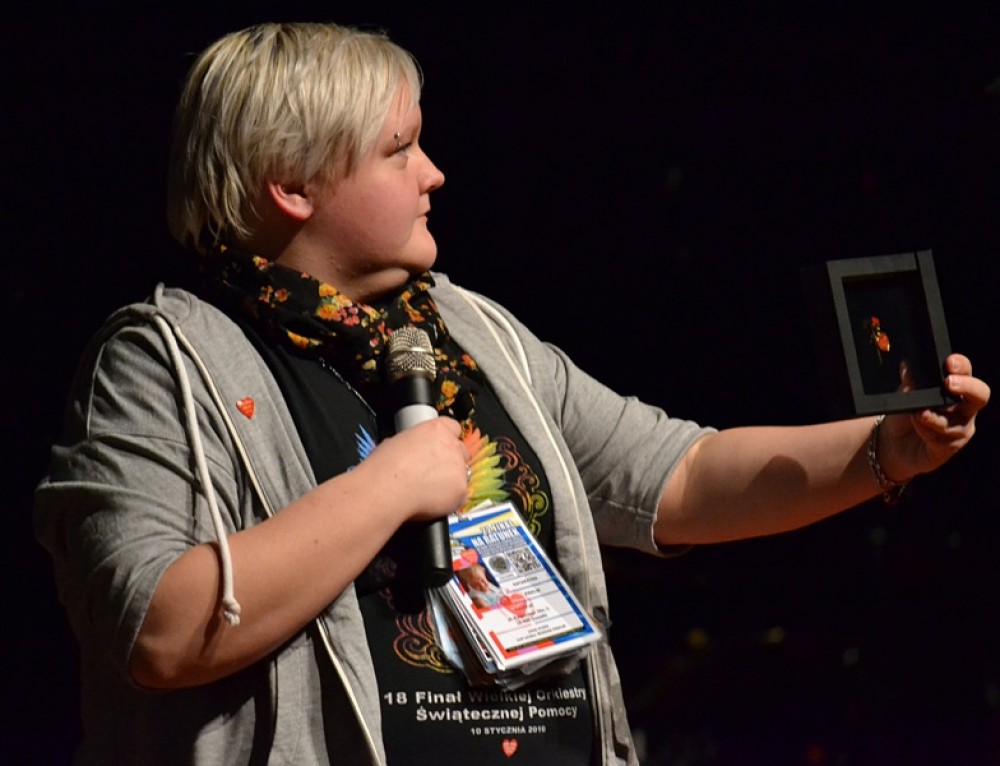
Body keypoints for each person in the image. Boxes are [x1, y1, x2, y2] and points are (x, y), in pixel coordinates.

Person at [33, 21, 989, 766]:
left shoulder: (471, 334)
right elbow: (159, 628)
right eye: (399, 149)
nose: (434, 173)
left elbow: (682, 477)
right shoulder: (166, 360)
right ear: (292, 184)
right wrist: (390, 485)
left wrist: (884, 452)